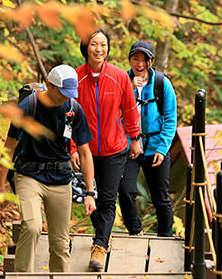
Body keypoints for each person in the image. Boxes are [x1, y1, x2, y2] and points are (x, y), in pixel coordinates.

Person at [0, 65, 96, 272]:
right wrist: (0, 185)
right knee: (32, 227)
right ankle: (22, 276)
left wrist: (89, 192)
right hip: (29, 176)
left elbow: (85, 153)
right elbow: (9, 148)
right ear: (49, 85)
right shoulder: (27, 107)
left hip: (60, 179)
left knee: (60, 243)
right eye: (62, 93)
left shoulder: (73, 109)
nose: (65, 98)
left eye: (70, 94)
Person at [74, 30, 142, 271]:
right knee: (91, 197)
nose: (99, 49)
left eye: (103, 44)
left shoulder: (118, 76)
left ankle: (99, 247)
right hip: (87, 151)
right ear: (86, 47)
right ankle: (102, 231)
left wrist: (135, 137)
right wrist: (73, 148)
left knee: (108, 198)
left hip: (115, 148)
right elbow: (69, 115)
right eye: (94, 44)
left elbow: (130, 109)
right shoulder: (77, 78)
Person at [117, 40, 177, 237]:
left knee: (160, 195)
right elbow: (113, 114)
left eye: (144, 59)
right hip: (128, 144)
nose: (140, 64)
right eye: (136, 58)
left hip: (155, 146)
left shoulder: (162, 84)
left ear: (151, 62)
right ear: (130, 60)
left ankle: (165, 236)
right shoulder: (122, 81)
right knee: (125, 191)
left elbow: (170, 119)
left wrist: (162, 148)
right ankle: (136, 231)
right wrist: (129, 89)